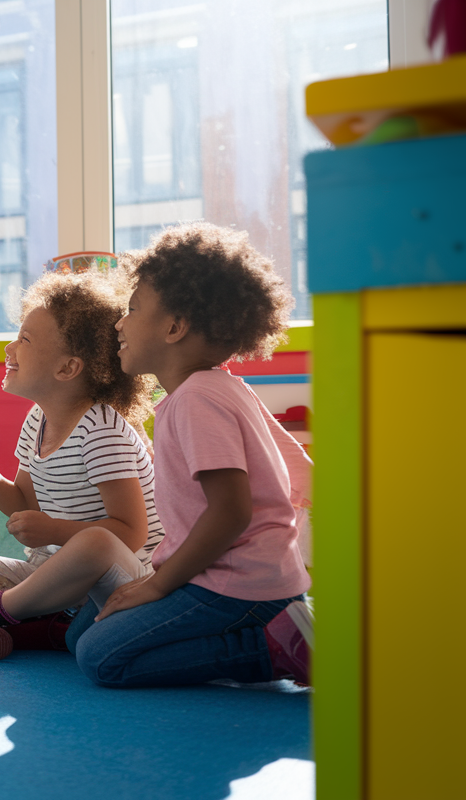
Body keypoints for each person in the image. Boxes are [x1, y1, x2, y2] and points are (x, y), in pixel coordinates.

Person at [72, 221, 313, 687]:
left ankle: (275, 651)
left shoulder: (195, 399)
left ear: (175, 327)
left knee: (100, 657)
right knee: (88, 627)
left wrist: (159, 584)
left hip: (235, 587)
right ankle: (287, 624)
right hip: (256, 581)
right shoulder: (223, 387)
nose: (119, 323)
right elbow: (298, 473)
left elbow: (230, 512)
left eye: (133, 309)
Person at [0, 269, 164, 664]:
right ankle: (38, 629)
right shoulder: (37, 420)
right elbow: (24, 502)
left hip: (124, 579)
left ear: (67, 368)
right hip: (59, 579)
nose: (9, 349)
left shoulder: (103, 431)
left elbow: (130, 532)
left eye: (24, 339)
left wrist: (57, 530)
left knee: (96, 542)